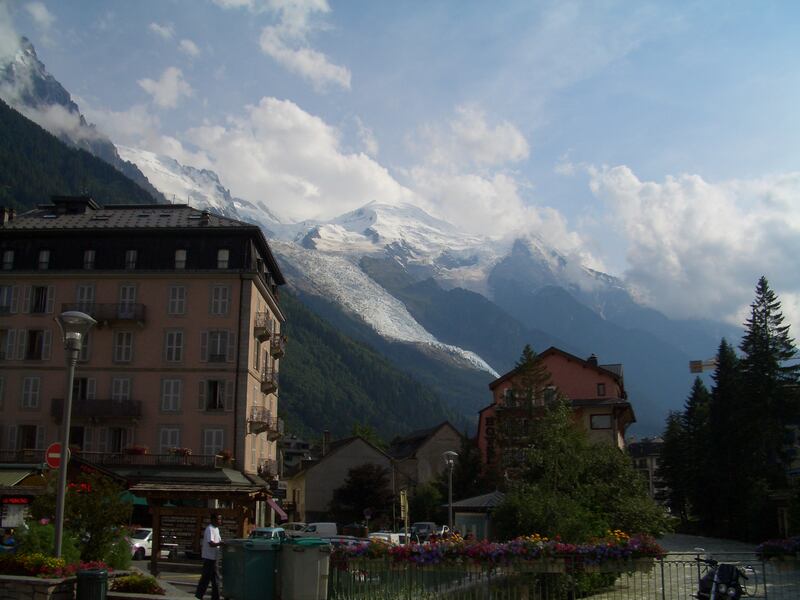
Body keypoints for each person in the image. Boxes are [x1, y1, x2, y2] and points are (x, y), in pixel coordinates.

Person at [195, 513, 223, 600]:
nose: (220, 521)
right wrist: (220, 544)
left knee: (214, 579)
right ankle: (199, 596)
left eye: (220, 519)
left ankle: (214, 597)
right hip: (209, 558)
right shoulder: (210, 529)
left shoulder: (216, 529)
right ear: (213, 520)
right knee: (206, 579)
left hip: (214, 558)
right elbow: (211, 543)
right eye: (218, 519)